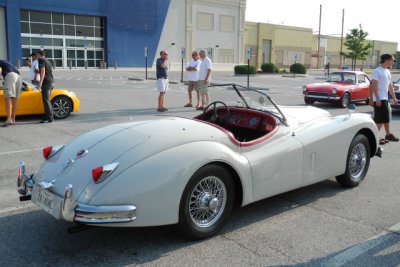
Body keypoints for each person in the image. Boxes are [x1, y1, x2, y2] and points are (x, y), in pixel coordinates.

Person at [369, 53, 398, 144]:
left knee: (384, 118)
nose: (393, 62)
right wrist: (376, 99)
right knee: (380, 120)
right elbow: (373, 85)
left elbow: (389, 86)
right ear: (386, 60)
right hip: (380, 99)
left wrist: (394, 97)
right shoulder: (377, 71)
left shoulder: (388, 72)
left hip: (385, 98)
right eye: (392, 60)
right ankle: (374, 138)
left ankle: (387, 135)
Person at [0, 60, 22, 127]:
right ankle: (13, 119)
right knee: (14, 98)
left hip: (10, 75)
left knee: (8, 97)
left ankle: (9, 119)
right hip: (19, 77)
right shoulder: (6, 62)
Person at [37, 50, 54, 123]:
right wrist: (38, 71)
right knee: (47, 101)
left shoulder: (41, 60)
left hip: (46, 83)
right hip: (51, 82)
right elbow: (46, 71)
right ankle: (47, 116)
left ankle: (50, 118)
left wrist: (40, 82)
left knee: (46, 101)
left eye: (37, 54)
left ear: (39, 54)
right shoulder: (48, 61)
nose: (36, 56)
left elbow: (43, 71)